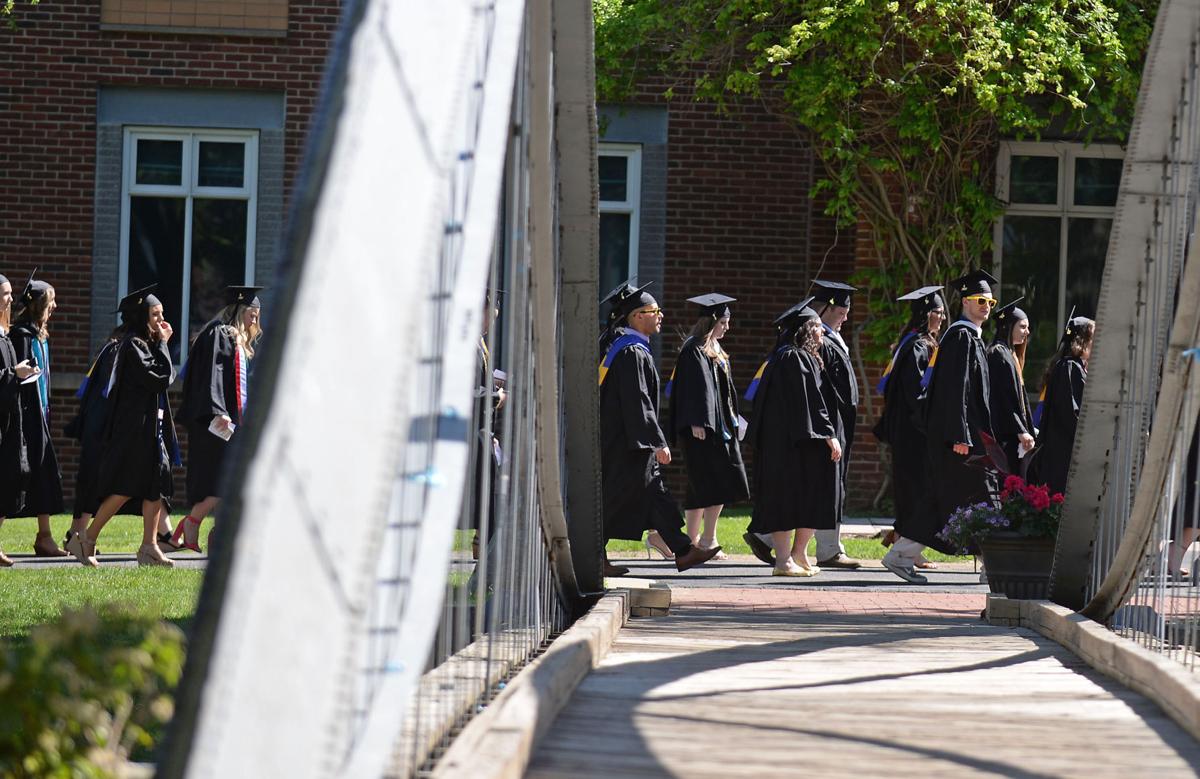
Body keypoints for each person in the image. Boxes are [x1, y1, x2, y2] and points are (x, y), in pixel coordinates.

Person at [883, 269, 999, 584]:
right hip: (959, 439)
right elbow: (953, 390)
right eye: (979, 300)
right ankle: (993, 567)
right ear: (964, 302)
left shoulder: (969, 336)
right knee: (980, 497)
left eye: (989, 300)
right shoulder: (961, 337)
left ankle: (900, 555)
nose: (986, 305)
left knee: (945, 500)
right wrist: (959, 436)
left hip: (967, 437)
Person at [598, 280, 721, 576]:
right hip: (627, 441)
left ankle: (683, 550)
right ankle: (681, 550)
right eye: (655, 310)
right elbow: (637, 401)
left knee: (651, 494)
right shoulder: (630, 352)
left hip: (626, 440)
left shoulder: (626, 348)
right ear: (637, 316)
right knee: (622, 496)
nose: (661, 315)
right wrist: (656, 440)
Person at [66, 285, 179, 568]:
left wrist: (161, 343)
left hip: (151, 427)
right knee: (126, 486)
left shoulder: (145, 345)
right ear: (141, 316)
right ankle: (87, 538)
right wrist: (165, 343)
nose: (161, 320)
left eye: (162, 313)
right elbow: (160, 378)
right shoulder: (133, 346)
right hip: (134, 430)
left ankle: (150, 547)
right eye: (155, 314)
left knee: (156, 486)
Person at [745, 302, 842, 576]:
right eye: (818, 328)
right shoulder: (793, 358)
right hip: (789, 444)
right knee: (786, 498)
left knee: (806, 495)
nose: (822, 333)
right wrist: (827, 433)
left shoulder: (786, 356)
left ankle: (797, 555)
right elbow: (808, 400)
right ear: (806, 330)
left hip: (791, 441)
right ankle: (783, 560)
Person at [174, 286, 263, 552]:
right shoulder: (221, 334)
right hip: (218, 421)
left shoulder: (238, 341)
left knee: (232, 481)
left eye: (258, 316)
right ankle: (192, 522)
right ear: (238, 312)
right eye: (252, 315)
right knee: (224, 480)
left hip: (233, 421)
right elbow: (211, 375)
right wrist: (219, 410)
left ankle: (217, 536)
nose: (255, 321)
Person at [667, 293, 749, 560]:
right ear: (712, 320)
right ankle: (692, 542)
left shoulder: (716, 351)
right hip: (703, 429)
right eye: (724, 321)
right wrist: (696, 421)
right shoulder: (693, 350)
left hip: (722, 428)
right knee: (701, 484)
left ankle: (708, 538)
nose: (728, 327)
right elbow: (691, 391)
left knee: (722, 481)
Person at [873, 285, 946, 571]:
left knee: (914, 488)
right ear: (925, 314)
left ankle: (910, 547)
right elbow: (916, 394)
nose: (941, 318)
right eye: (937, 313)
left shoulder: (915, 343)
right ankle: (907, 547)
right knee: (916, 488)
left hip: (910, 431)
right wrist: (932, 422)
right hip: (913, 433)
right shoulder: (917, 346)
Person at [9, 271, 66, 557]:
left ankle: (44, 536)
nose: (55, 306)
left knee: (42, 474)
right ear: (39, 303)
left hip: (40, 416)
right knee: (18, 475)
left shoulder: (40, 335)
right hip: (24, 417)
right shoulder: (20, 336)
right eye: (51, 301)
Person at [810, 280, 864, 570]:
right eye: (843, 310)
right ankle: (829, 549)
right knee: (827, 486)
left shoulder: (831, 339)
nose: (846, 316)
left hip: (839, 421)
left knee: (830, 485)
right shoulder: (823, 342)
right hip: (831, 422)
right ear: (828, 308)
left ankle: (766, 536)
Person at [0, 273, 40, 566]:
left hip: (8, 417)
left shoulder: (5, 333)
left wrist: (19, 372)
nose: (11, 299)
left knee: (12, 475)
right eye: (5, 294)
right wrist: (14, 374)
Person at [1032, 315, 1093, 495]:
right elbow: (1071, 414)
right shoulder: (1069, 367)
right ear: (1082, 341)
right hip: (1064, 454)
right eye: (1093, 338)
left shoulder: (1071, 366)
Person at [986, 299, 1035, 475]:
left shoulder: (1009, 354)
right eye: (1022, 326)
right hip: (1003, 436)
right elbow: (1004, 398)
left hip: (1011, 436)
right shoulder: (998, 354)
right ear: (1008, 326)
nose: (1027, 332)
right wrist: (1020, 431)